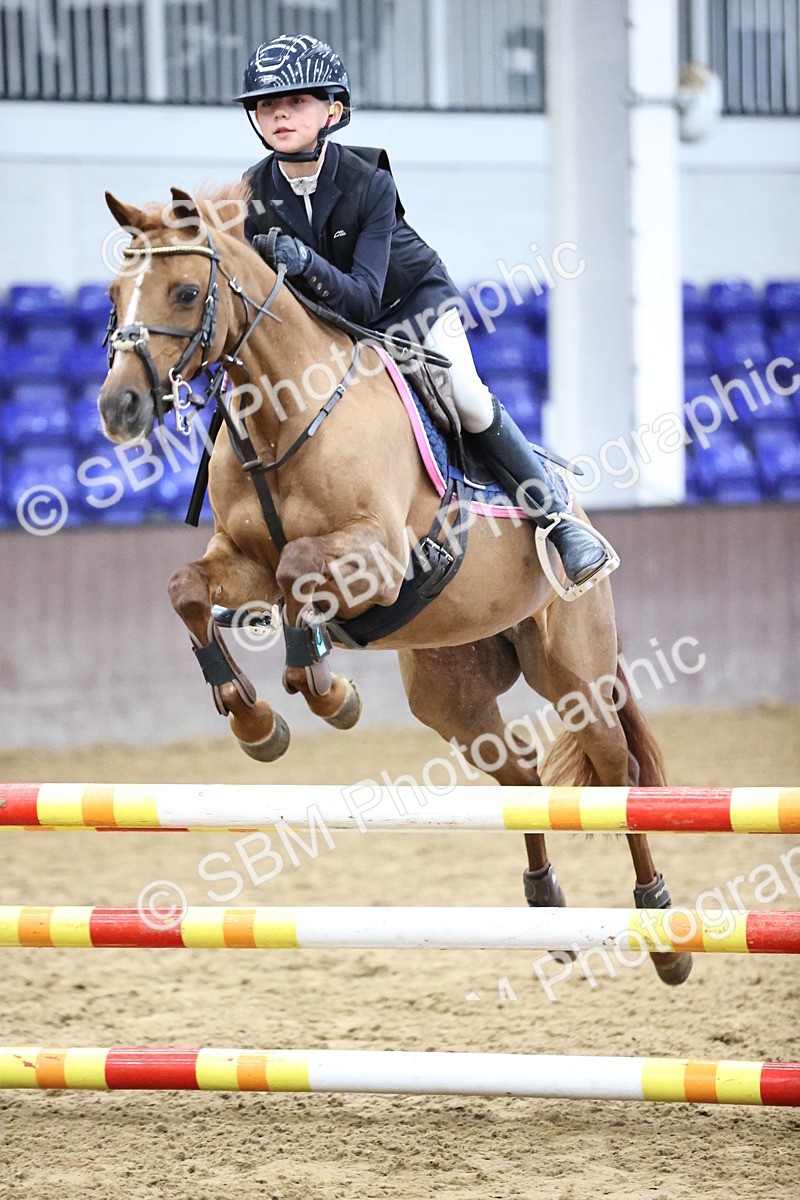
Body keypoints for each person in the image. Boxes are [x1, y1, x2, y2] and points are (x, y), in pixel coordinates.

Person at [235, 33, 615, 593]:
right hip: (331, 328)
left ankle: (558, 521)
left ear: (332, 111)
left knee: (466, 395)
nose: (280, 114)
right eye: (267, 105)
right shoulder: (251, 193)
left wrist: (305, 261)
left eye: (296, 101)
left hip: (409, 307)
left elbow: (365, 297)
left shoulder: (369, 181)